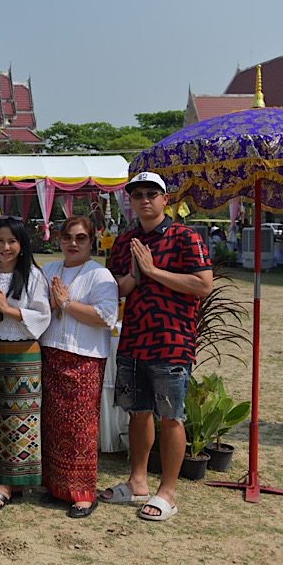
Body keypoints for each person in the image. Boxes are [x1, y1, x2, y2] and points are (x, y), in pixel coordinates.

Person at [100, 172, 212, 522]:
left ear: (166, 199)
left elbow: (202, 284)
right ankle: (137, 481)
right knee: (137, 412)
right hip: (133, 338)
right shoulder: (125, 240)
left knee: (171, 416)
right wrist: (134, 276)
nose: (144, 200)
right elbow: (114, 288)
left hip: (172, 341)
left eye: (152, 193)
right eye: (137, 195)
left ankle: (167, 492)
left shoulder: (185, 237)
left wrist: (152, 270)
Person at [39, 216, 119, 518]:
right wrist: (52, 302)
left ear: (91, 241)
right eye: (68, 237)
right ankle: (56, 487)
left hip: (84, 358)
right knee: (52, 426)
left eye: (81, 237)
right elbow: (36, 307)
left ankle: (83, 494)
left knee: (80, 429)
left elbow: (106, 316)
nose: (73, 243)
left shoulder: (100, 275)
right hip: (50, 353)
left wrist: (66, 303)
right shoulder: (49, 270)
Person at [0, 217, 51, 512]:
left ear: (22, 244)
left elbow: (42, 316)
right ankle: (8, 479)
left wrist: (6, 308)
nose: (5, 247)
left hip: (23, 353)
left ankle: (8, 484)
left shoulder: (32, 274)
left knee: (20, 418)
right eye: (0, 241)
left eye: (12, 241)